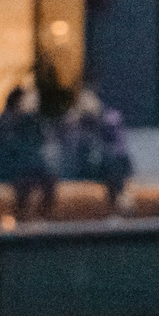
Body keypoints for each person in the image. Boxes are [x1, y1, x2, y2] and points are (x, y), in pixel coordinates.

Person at [0, 84, 57, 222]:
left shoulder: (30, 120)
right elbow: (7, 149)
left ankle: (42, 215)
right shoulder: (7, 120)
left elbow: (39, 141)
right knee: (26, 179)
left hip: (25, 166)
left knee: (47, 178)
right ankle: (23, 215)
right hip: (5, 167)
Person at [62, 83, 135, 216]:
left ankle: (120, 206)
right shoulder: (74, 122)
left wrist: (98, 120)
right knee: (112, 165)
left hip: (107, 165)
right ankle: (120, 204)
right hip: (83, 166)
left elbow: (119, 146)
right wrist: (77, 123)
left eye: (89, 100)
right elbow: (71, 148)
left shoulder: (110, 118)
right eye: (83, 101)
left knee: (113, 163)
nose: (86, 104)